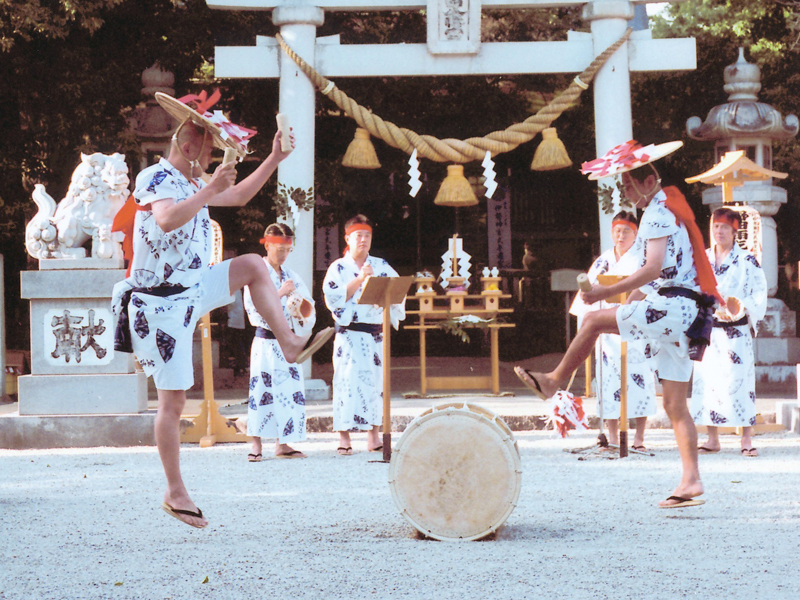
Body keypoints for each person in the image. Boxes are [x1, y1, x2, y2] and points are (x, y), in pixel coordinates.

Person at [111, 90, 331, 529]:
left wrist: (274, 159)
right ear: (188, 145)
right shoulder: (155, 177)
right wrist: (210, 187)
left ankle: (289, 343)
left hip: (191, 286)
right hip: (158, 305)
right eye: (208, 149)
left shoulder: (194, 181)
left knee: (251, 263)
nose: (211, 157)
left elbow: (241, 196)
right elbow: (168, 220)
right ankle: (175, 492)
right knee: (172, 403)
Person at [515, 139, 722, 509]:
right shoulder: (670, 206)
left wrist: (600, 298)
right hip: (683, 309)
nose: (625, 190)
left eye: (627, 184)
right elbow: (654, 279)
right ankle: (691, 481)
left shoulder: (658, 212)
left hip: (673, 307)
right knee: (675, 404)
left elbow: (651, 269)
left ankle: (554, 380)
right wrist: (627, 303)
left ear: (646, 181)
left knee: (592, 320)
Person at [570, 211, 657, 451]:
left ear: (635, 234)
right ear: (612, 233)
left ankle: (638, 437)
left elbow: (652, 288)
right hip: (607, 329)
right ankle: (612, 434)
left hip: (636, 325)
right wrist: (586, 330)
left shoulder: (644, 260)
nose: (621, 236)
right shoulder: (602, 262)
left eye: (626, 231)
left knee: (639, 379)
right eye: (617, 231)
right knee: (608, 382)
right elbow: (585, 296)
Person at [323, 214, 405, 455]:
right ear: (347, 238)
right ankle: (344, 436)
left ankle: (374, 436)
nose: (364, 240)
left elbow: (398, 291)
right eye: (359, 235)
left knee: (375, 384)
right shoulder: (338, 267)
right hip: (349, 335)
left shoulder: (381, 265)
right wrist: (360, 279)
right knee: (345, 382)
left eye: (367, 235)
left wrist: (387, 301)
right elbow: (333, 299)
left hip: (374, 335)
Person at [691, 207, 767, 457]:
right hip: (709, 328)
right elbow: (692, 288)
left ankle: (746, 437)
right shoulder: (702, 259)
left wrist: (742, 305)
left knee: (740, 380)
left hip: (736, 329)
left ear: (735, 231)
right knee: (708, 380)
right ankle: (712, 437)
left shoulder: (747, 260)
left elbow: (759, 292)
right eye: (716, 227)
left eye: (724, 227)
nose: (719, 231)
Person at [243, 223, 315, 461]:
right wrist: (281, 293)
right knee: (261, 389)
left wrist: (301, 310)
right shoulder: (256, 272)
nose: (283, 254)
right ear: (267, 245)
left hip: (286, 342)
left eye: (287, 249)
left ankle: (283, 443)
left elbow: (308, 307)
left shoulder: (291, 276)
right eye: (279, 248)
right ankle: (255, 444)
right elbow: (253, 308)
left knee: (287, 391)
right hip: (265, 341)